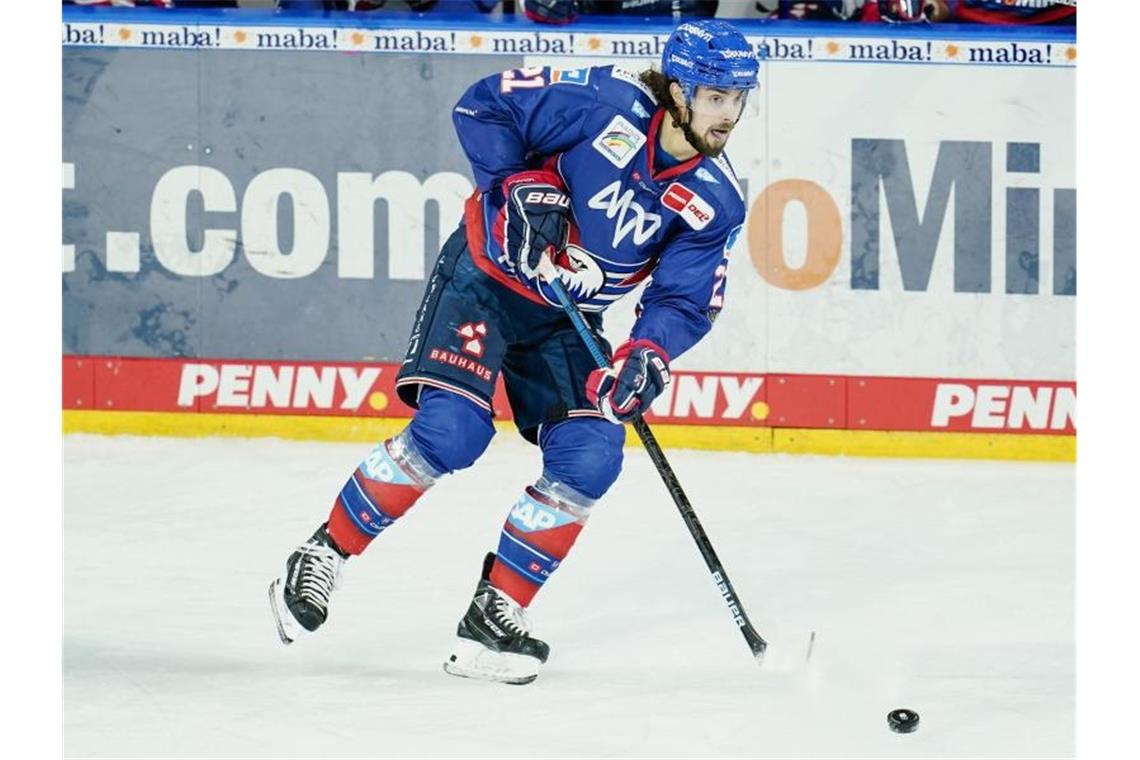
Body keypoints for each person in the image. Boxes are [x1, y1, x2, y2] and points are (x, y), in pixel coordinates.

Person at [268, 18, 759, 685]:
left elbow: (683, 300)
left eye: (737, 98)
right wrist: (513, 190)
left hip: (567, 314)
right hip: (486, 281)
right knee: (452, 432)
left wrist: (648, 355)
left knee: (591, 453)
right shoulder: (601, 101)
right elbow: (482, 105)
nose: (727, 113)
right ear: (677, 87)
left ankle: (492, 617)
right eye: (714, 95)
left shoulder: (716, 201)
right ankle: (322, 552)